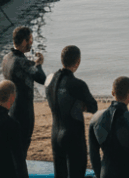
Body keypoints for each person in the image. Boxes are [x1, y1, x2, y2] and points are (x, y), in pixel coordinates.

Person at [47, 45, 98, 178]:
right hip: (73, 136)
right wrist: (83, 106)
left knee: (60, 175)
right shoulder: (77, 84)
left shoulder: (50, 80)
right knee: (76, 174)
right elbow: (94, 107)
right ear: (78, 61)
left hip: (55, 134)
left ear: (62, 60)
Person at [89, 77, 129, 178]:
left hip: (106, 173)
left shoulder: (95, 119)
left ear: (113, 93)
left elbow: (93, 155)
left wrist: (99, 174)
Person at [1, 26, 46, 158]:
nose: (32, 43)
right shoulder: (23, 63)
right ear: (25, 41)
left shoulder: (6, 58)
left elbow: (21, 69)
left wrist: (32, 63)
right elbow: (42, 79)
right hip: (23, 110)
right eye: (31, 40)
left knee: (12, 147)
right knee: (22, 146)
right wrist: (39, 64)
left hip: (9, 108)